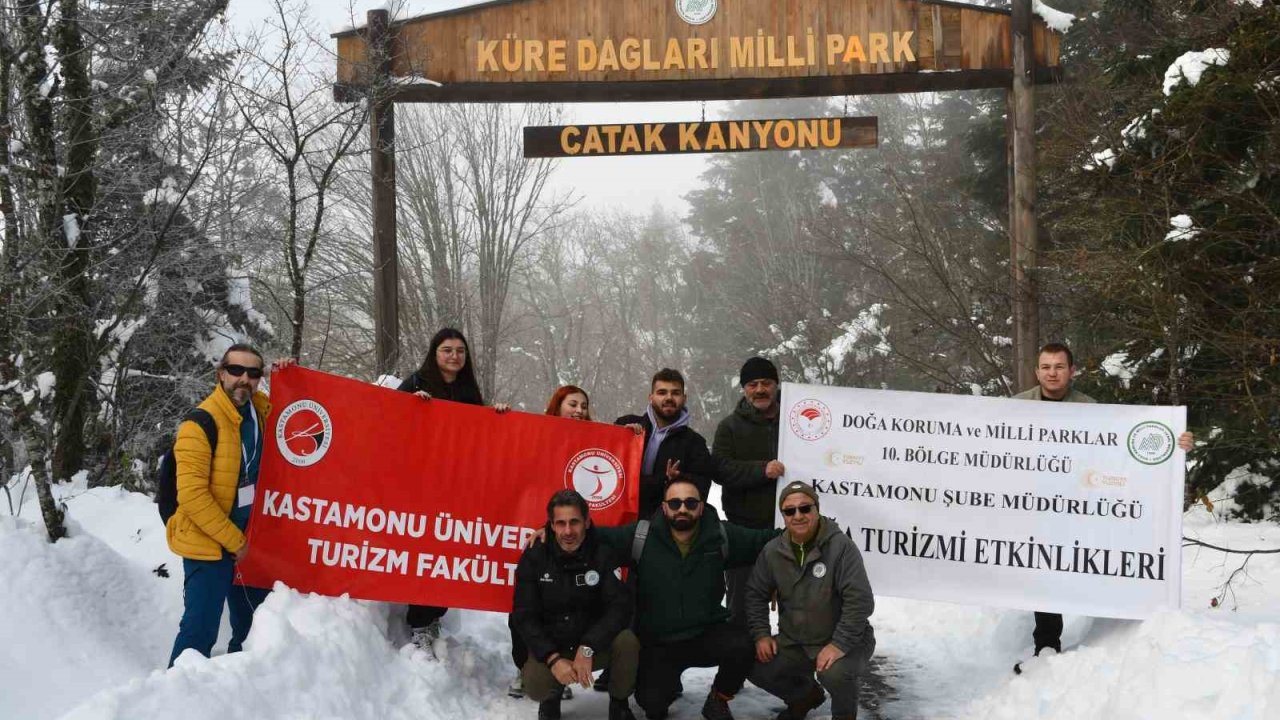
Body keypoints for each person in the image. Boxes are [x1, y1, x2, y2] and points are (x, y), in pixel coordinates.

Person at [1012, 342, 1193, 669]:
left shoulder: (1091, 409)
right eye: (1046, 367)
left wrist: (1174, 441)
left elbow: (1120, 448)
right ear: (1037, 371)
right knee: (1042, 572)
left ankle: (1113, 636)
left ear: (1072, 370)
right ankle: (1046, 645)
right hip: (1030, 505)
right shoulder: (1014, 407)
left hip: (1078, 503)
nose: (1052, 373)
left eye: (1059, 366)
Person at [594, 478, 780, 720]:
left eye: (691, 503)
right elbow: (592, 538)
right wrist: (548, 532)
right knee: (652, 703)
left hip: (705, 634)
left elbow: (768, 541)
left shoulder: (720, 535)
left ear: (701, 507)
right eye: (675, 503)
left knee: (743, 645)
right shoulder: (640, 536)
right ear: (664, 507)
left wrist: (814, 530)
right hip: (659, 641)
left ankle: (718, 700)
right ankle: (662, 691)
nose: (683, 508)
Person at [166, 345, 291, 667]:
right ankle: (175, 699)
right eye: (236, 370)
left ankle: (237, 693)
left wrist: (287, 372)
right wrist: (234, 541)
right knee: (199, 632)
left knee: (254, 629)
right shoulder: (199, 424)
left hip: (248, 540)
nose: (244, 379)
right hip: (208, 543)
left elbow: (296, 406)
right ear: (221, 374)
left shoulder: (258, 412)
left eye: (254, 373)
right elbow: (192, 496)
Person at [397, 327, 506, 657]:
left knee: (450, 555)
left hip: (457, 490)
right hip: (421, 488)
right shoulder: (416, 383)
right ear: (434, 353)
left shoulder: (468, 390)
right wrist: (410, 406)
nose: (454, 356)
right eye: (447, 350)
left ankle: (435, 617)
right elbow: (389, 419)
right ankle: (419, 622)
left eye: (460, 350)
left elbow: (481, 435)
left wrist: (497, 417)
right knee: (425, 555)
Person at [746, 482, 875, 720]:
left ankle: (844, 715)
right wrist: (761, 634)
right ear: (783, 516)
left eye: (805, 508)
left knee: (834, 674)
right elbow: (755, 594)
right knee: (750, 662)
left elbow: (860, 601)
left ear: (817, 509)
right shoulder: (773, 551)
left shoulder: (841, 546)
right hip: (795, 642)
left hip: (847, 640)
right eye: (790, 510)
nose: (798, 515)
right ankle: (804, 696)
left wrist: (839, 644)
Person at [511, 490, 640, 720]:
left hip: (592, 646)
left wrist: (588, 646)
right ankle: (551, 699)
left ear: (587, 522)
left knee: (628, 642)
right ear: (551, 525)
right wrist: (553, 659)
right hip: (553, 646)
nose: (568, 531)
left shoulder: (603, 553)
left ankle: (619, 703)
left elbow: (619, 607)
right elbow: (523, 615)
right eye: (560, 523)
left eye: (574, 522)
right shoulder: (534, 556)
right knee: (536, 685)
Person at [712, 357, 787, 631]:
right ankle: (737, 667)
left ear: (776, 385)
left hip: (790, 531)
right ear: (744, 388)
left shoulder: (796, 423)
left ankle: (788, 669)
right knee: (741, 610)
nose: (759, 390)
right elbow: (720, 469)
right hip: (742, 532)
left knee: (797, 608)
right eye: (752, 384)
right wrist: (761, 471)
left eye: (766, 383)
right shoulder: (729, 427)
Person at [615, 369, 721, 518]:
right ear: (651, 397)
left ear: (684, 398)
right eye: (662, 392)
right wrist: (621, 439)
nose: (669, 397)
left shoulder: (695, 443)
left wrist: (678, 478)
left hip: (666, 525)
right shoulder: (626, 425)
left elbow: (702, 489)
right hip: (621, 518)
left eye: (675, 393)